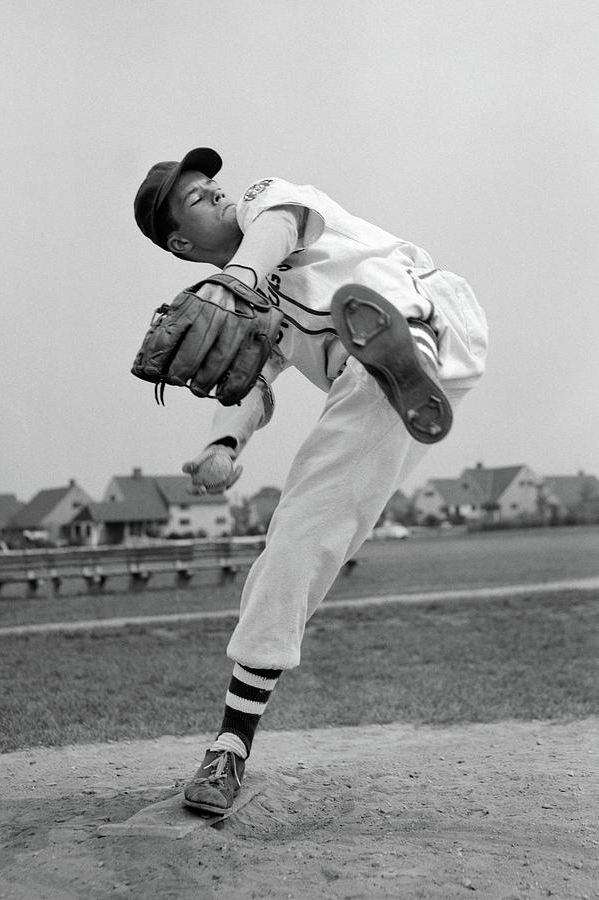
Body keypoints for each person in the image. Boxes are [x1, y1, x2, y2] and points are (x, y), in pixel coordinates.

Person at [133, 147, 488, 815]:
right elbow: (251, 378)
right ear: (180, 241)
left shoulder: (265, 203)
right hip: (384, 376)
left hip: (417, 300)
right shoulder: (253, 306)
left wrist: (234, 277)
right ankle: (231, 746)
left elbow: (283, 227)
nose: (214, 192)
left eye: (210, 182)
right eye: (193, 197)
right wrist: (222, 442)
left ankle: (402, 347)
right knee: (302, 535)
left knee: (361, 328)